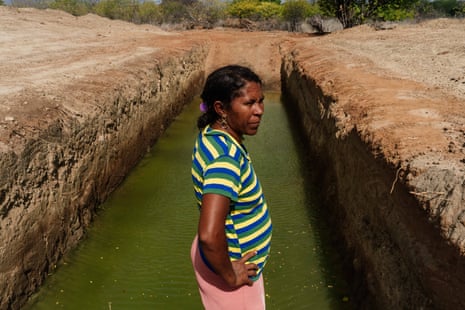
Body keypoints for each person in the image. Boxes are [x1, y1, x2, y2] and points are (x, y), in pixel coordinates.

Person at [190, 65, 272, 309]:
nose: (259, 111)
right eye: (249, 104)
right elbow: (208, 235)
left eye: (261, 101)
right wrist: (230, 275)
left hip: (221, 257)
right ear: (221, 108)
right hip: (229, 266)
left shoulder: (211, 135)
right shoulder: (225, 160)